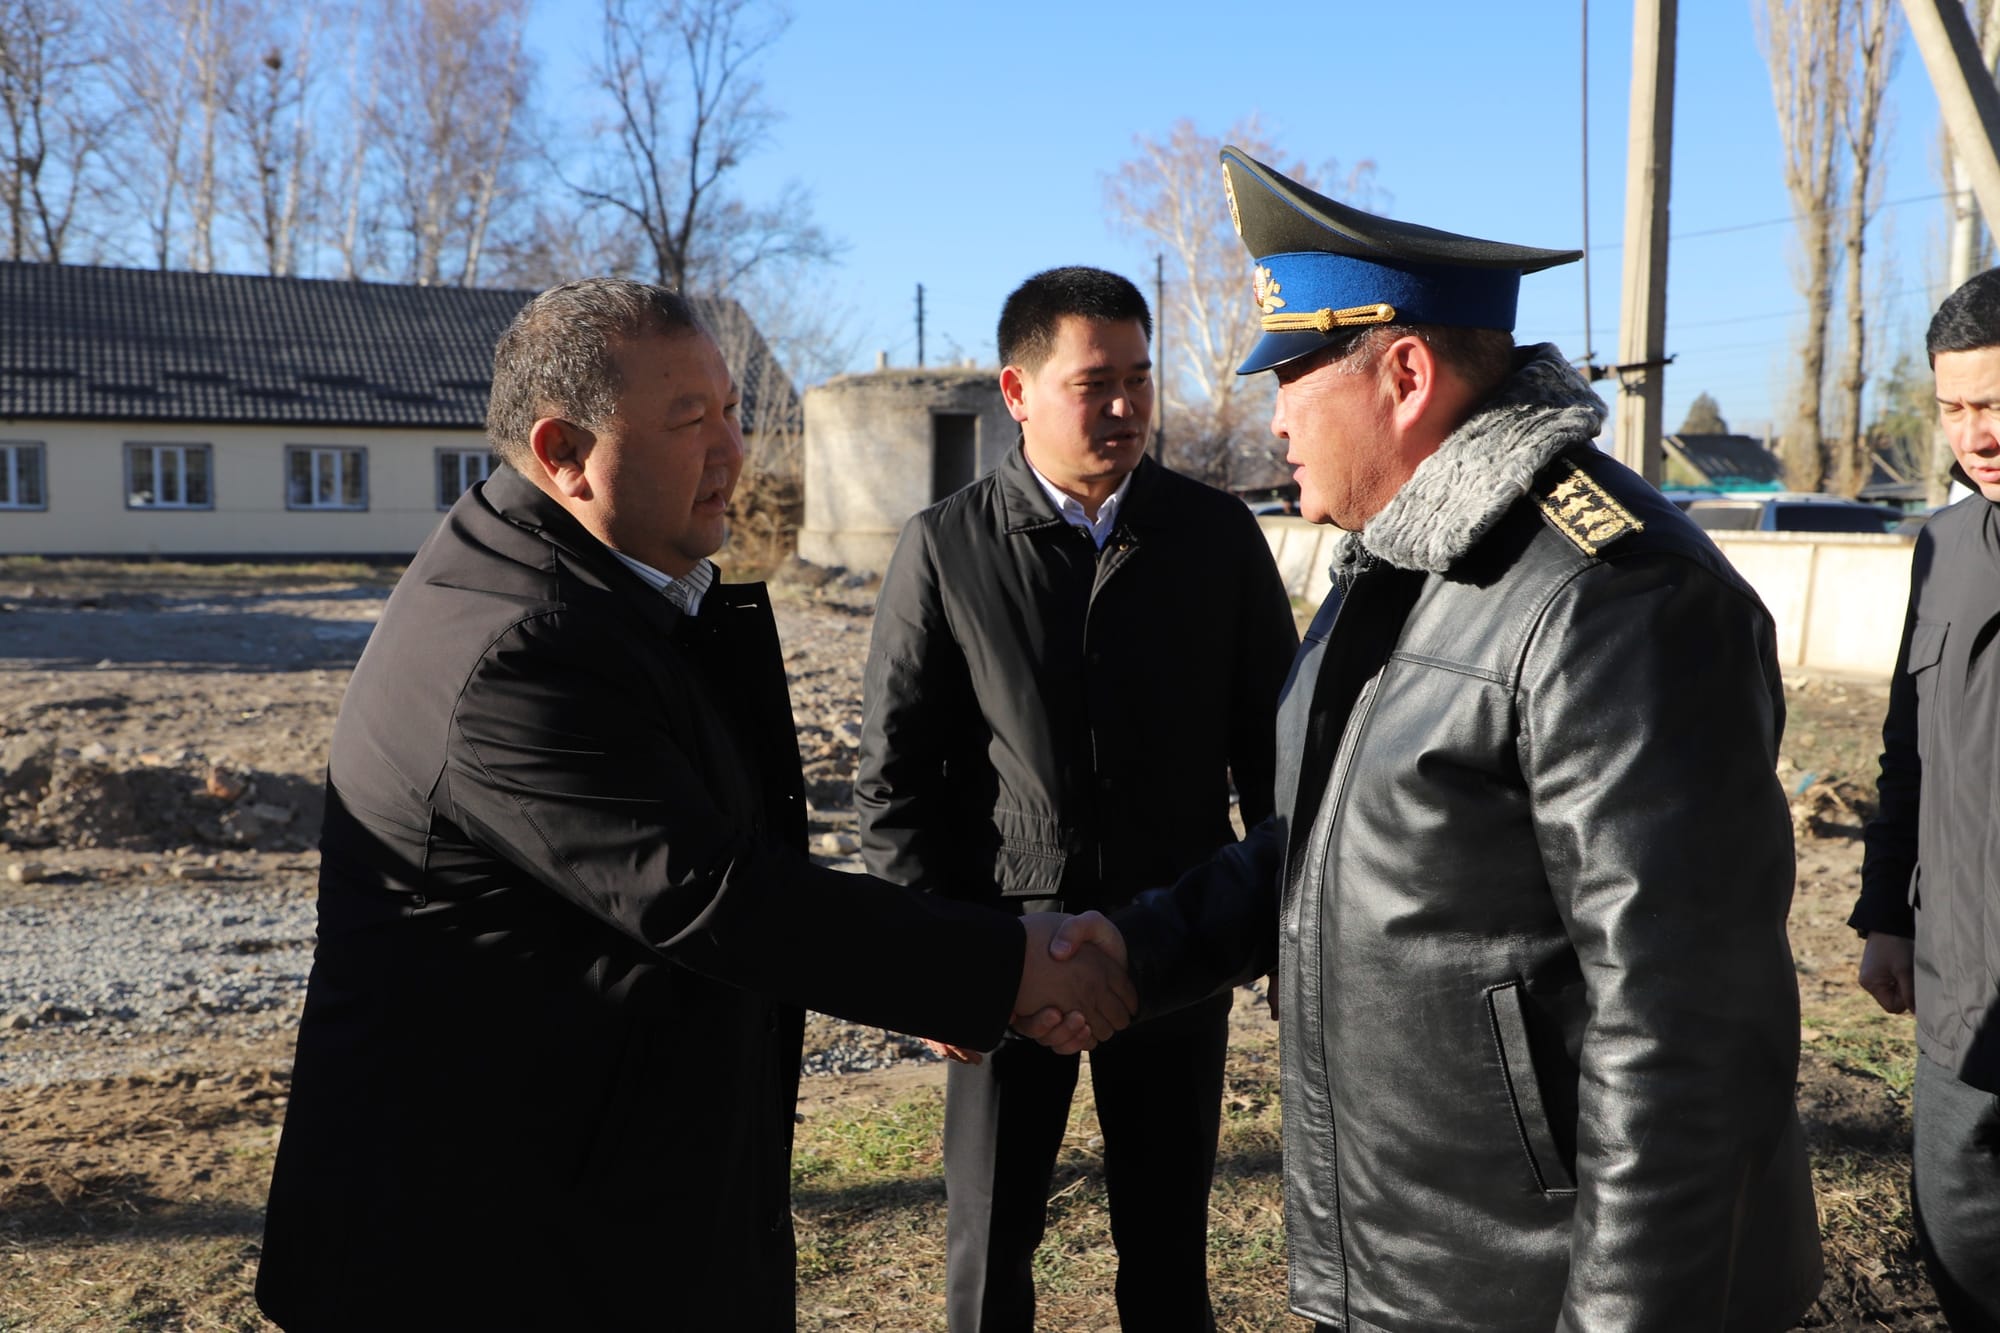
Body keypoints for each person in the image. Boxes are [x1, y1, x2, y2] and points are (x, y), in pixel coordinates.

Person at [254, 279, 1133, 1332]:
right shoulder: (515, 648)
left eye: (731, 410)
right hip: (476, 1251)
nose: (733, 451)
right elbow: (712, 894)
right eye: (688, 421)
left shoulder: (607, 595)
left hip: (581, 1201)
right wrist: (1003, 964)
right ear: (565, 451)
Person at [1047, 147, 1824, 1331]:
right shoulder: (1396, 560)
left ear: (1403, 375)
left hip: (1534, 1289)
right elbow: (1330, 846)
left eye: (1290, 375)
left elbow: (1682, 1034)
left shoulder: (1614, 601)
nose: (1273, 418)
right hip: (1413, 1271)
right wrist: (1136, 948)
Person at [855, 266, 1297, 1331]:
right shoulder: (947, 546)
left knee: (1167, 1244)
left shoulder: (1215, 537)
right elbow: (897, 777)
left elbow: (1280, 759)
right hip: (1008, 951)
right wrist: (939, 967)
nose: (1125, 406)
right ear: (1016, 391)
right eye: (1095, 383)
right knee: (990, 1244)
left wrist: (1282, 932)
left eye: (1139, 379)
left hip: (1173, 939)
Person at [1850, 266, 2000, 1331]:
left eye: (1995, 403)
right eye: (1953, 408)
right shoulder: (1943, 547)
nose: (1974, 435)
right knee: (1960, 1258)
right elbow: (1905, 752)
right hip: (1959, 1001)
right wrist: (1883, 916)